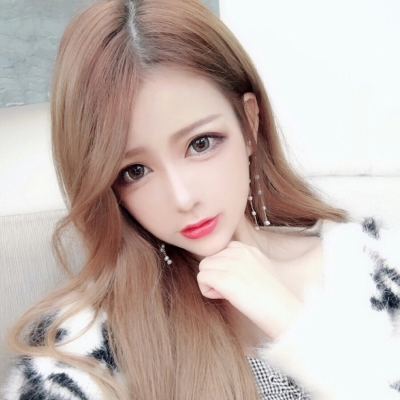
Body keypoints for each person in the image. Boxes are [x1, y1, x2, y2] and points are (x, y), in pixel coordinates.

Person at [3, 0, 400, 399]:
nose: (183, 197)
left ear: (249, 123)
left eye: (201, 143)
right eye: (135, 171)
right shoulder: (79, 348)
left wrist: (296, 329)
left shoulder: (376, 268)